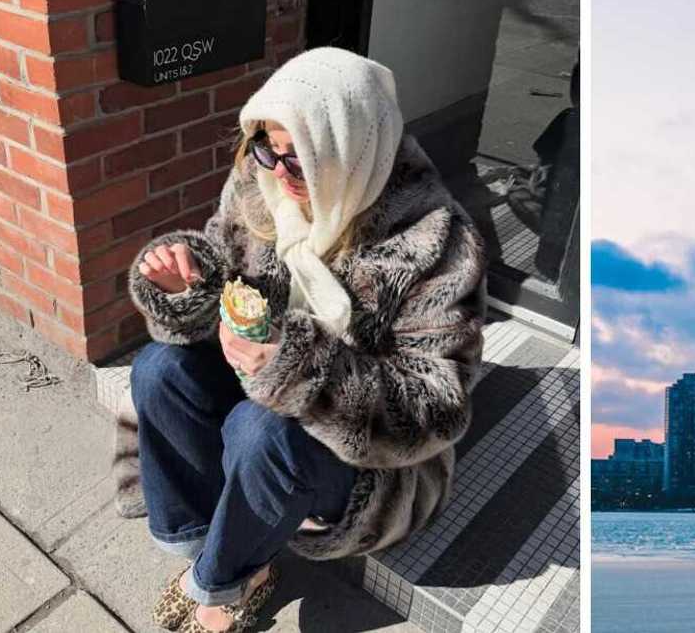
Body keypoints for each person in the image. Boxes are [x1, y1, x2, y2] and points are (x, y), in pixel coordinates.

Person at [125, 47, 487, 632]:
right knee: (158, 369)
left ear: (354, 149)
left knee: (260, 430)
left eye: (304, 160)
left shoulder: (434, 240)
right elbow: (225, 271)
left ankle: (226, 581)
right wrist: (187, 281)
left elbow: (436, 406)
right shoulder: (259, 182)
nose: (279, 174)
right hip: (262, 383)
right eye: (268, 148)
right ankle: (208, 545)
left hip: (371, 449)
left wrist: (301, 372)